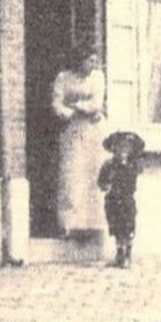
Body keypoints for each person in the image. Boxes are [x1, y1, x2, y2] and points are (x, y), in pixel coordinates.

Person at [50, 47, 106, 237]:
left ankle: (92, 224)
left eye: (94, 61)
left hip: (92, 130)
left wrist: (76, 105)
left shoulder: (97, 77)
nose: (92, 65)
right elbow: (57, 104)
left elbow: (96, 104)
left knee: (91, 173)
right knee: (72, 175)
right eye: (89, 61)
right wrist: (70, 112)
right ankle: (70, 225)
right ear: (79, 60)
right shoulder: (63, 78)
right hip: (71, 130)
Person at [98, 130, 145, 269]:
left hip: (127, 200)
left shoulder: (133, 165)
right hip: (113, 200)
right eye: (119, 147)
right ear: (113, 149)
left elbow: (136, 174)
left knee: (128, 227)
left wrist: (128, 163)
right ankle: (119, 253)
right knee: (116, 227)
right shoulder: (109, 165)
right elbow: (101, 181)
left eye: (126, 147)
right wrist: (105, 185)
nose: (122, 150)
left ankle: (128, 254)